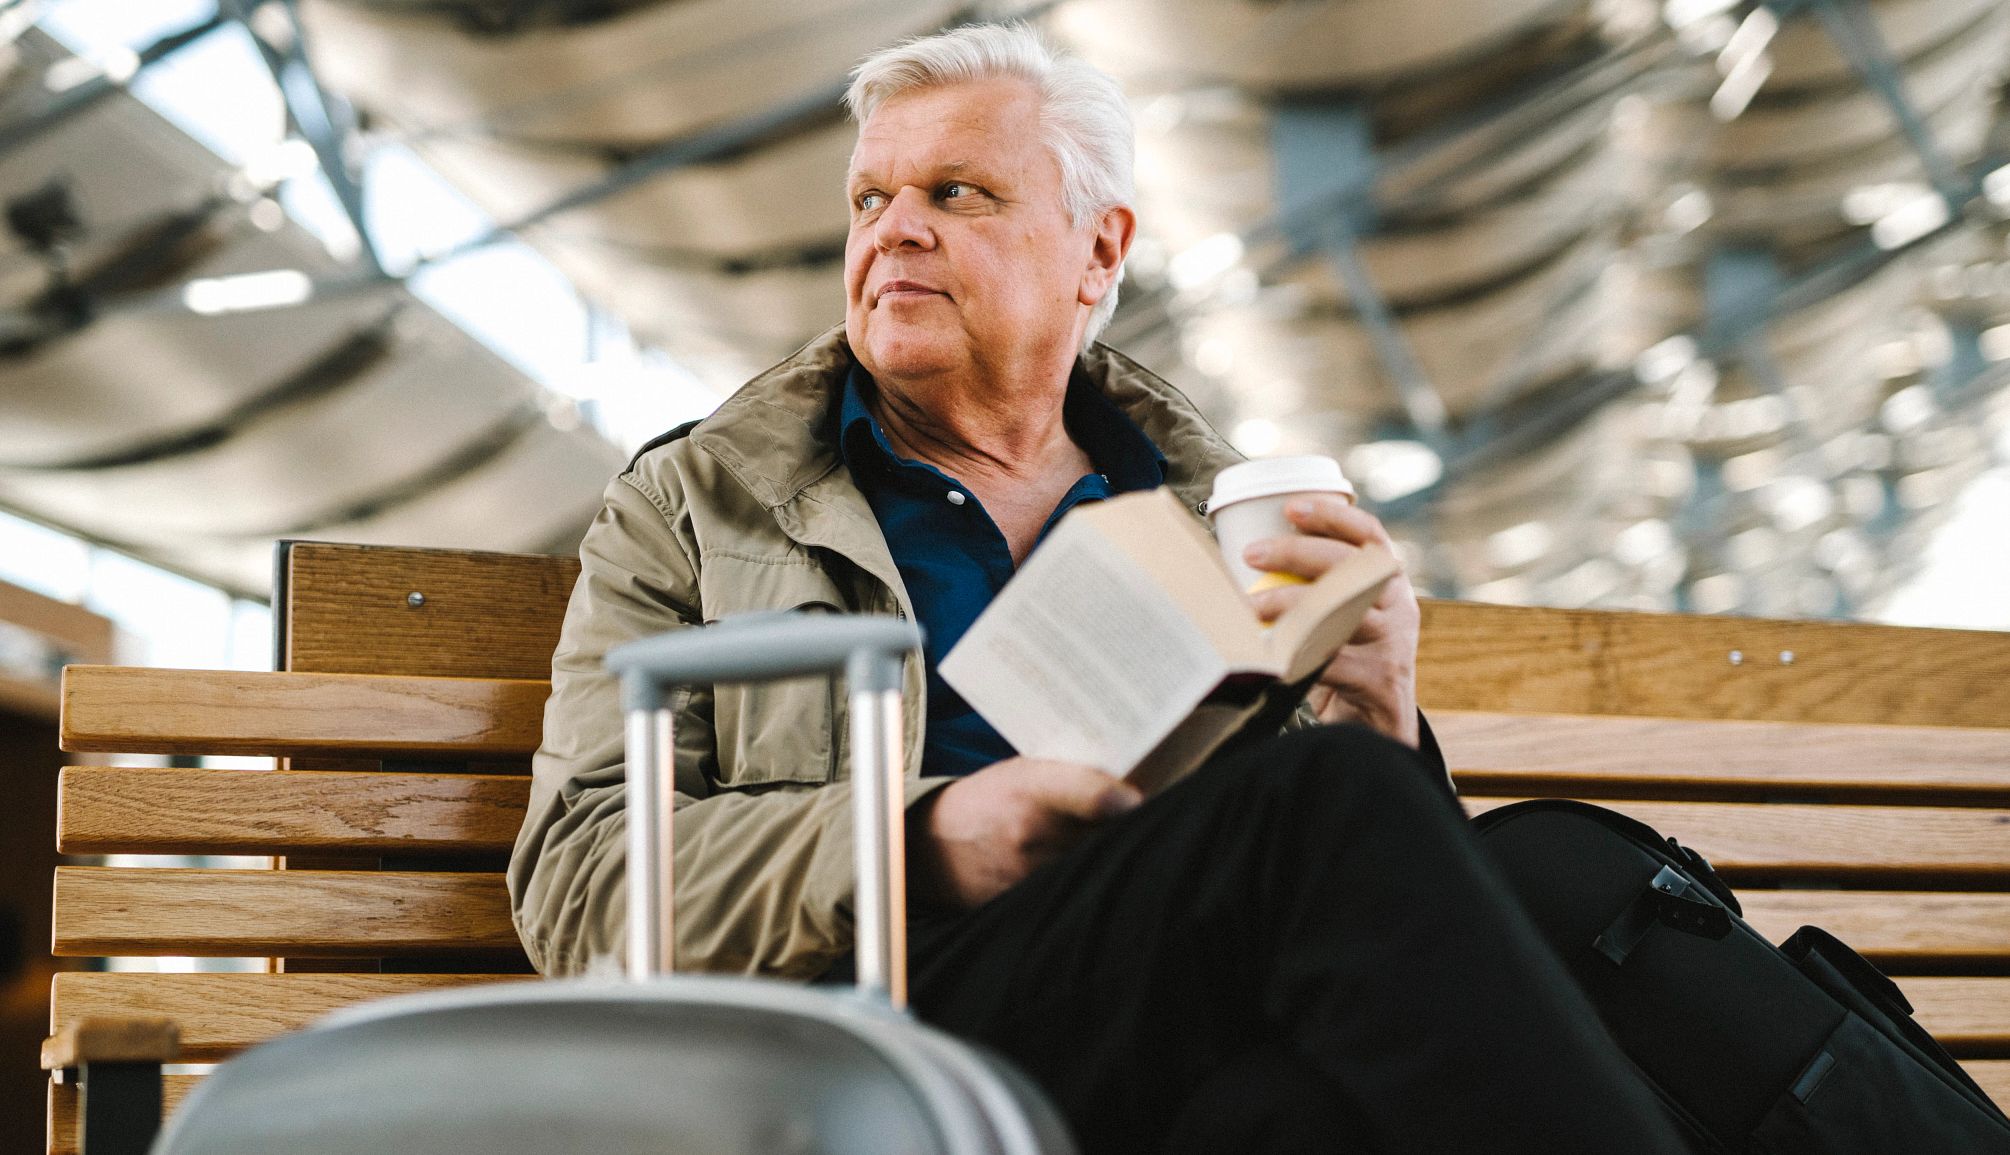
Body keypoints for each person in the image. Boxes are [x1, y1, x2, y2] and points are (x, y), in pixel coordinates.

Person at [510, 23, 1689, 1154]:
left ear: (1101, 250)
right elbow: (578, 887)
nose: (895, 231)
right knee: (1316, 806)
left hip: (1163, 1039)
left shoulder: (1206, 514)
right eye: (872, 199)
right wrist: (919, 838)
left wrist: (1374, 713)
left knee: (1298, 1116)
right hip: (866, 1044)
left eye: (957, 193)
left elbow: (1380, 947)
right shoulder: (700, 501)